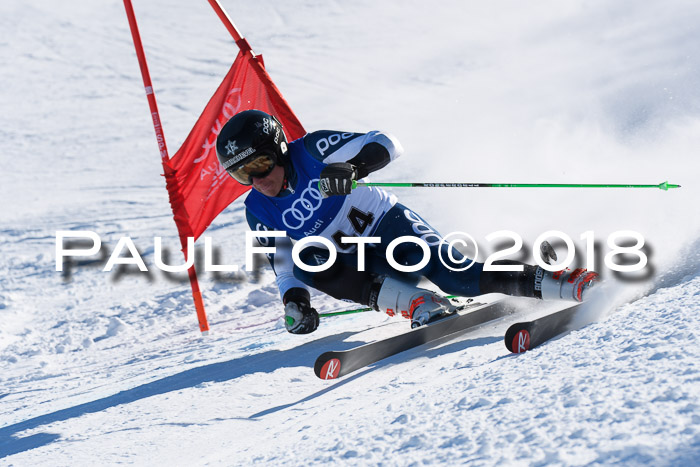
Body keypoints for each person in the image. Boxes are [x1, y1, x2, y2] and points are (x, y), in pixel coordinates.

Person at [216, 110, 599, 334]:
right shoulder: (258, 211)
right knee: (308, 261)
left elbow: (387, 141)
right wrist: (295, 303)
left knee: (457, 277)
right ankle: (418, 302)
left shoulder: (313, 149)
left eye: (261, 164)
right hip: (363, 267)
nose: (257, 180)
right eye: (242, 174)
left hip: (387, 226)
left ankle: (562, 280)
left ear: (279, 149)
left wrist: (354, 167)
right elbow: (284, 268)